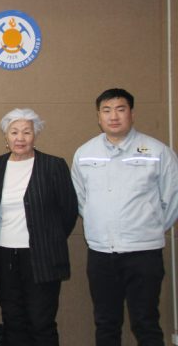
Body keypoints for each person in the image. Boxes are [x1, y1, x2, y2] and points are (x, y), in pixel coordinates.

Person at [72, 88, 178, 346]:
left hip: (144, 253)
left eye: (120, 109)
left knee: (146, 323)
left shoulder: (157, 151)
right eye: (106, 110)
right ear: (98, 116)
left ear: (132, 113)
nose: (114, 116)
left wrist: (148, 228)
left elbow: (172, 198)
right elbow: (81, 200)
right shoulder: (84, 153)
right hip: (101, 253)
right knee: (106, 323)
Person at [0, 108, 78, 346]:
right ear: (6, 136)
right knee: (12, 320)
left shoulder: (53, 165)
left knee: (41, 322)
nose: (20, 138)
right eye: (14, 132)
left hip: (41, 257)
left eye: (27, 132)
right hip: (5, 256)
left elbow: (68, 211)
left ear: (35, 135)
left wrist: (49, 239)